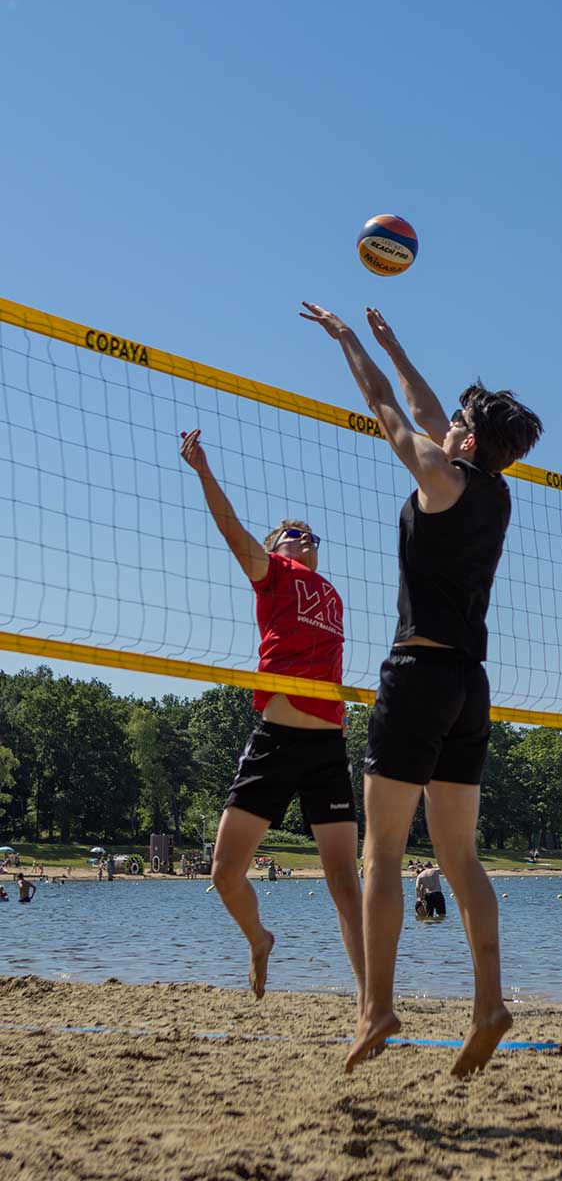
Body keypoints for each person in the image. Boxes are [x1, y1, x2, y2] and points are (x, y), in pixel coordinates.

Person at [301, 302, 542, 1074]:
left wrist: (350, 347)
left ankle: (376, 1008)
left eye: (457, 423)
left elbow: (388, 410)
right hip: (471, 686)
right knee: (461, 858)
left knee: (381, 855)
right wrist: (394, 341)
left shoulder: (438, 476)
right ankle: (490, 1003)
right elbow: (428, 408)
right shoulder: (496, 491)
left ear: (466, 441)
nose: (444, 425)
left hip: (416, 676)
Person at [180, 429, 364, 1006]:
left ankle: (371, 999)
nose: (305, 538)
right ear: (275, 546)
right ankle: (260, 939)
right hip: (275, 743)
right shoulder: (272, 574)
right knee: (224, 874)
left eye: (312, 535)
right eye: (293, 533)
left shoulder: (330, 591)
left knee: (344, 881)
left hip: (328, 748)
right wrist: (204, 471)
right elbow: (231, 528)